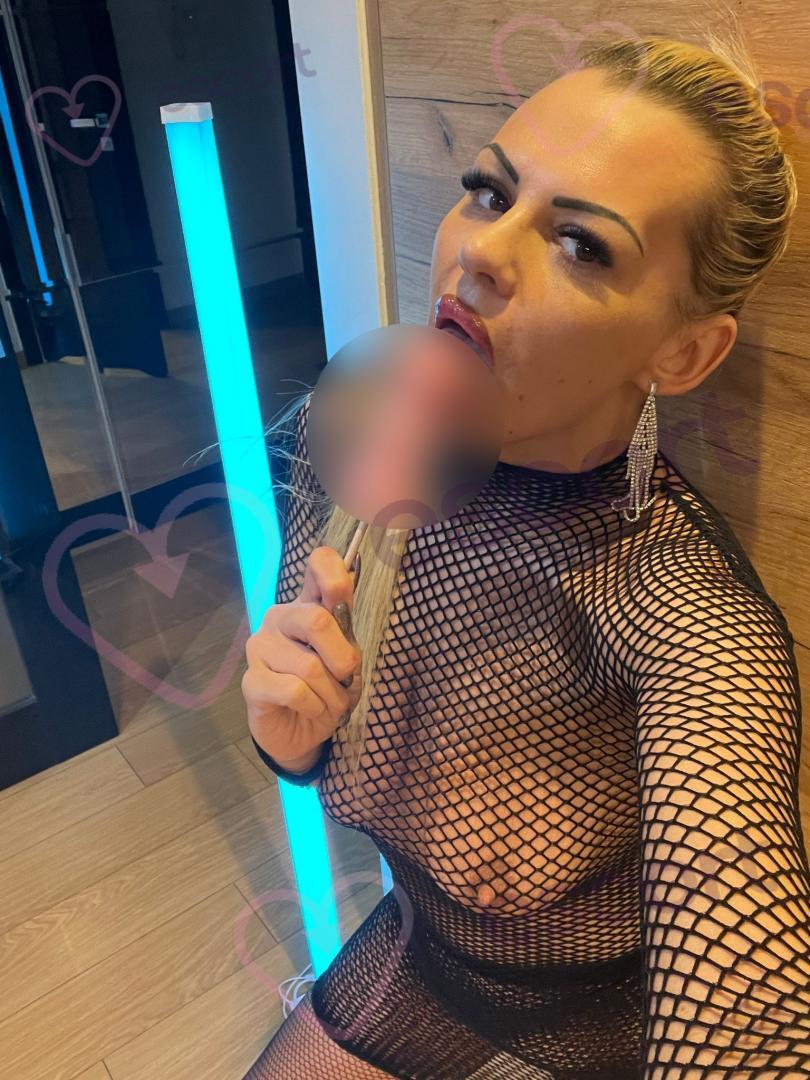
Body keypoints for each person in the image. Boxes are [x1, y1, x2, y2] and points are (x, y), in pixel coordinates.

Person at [240, 29, 810, 1080]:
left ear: (685, 351)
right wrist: (292, 741)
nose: (482, 253)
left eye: (581, 245)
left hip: (618, 1028)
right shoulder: (358, 453)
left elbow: (747, 990)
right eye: (489, 192)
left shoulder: (687, 623)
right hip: (421, 967)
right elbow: (313, 748)